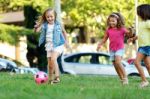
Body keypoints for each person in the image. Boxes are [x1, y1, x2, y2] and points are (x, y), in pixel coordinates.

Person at [34, 8, 69, 84]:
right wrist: (36, 27)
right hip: (49, 46)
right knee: (50, 65)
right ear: (45, 18)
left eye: (51, 16)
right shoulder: (44, 25)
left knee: (53, 59)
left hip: (58, 44)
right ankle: (50, 80)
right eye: (48, 17)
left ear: (54, 16)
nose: (50, 18)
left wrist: (67, 42)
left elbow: (64, 32)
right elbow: (37, 31)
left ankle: (57, 78)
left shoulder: (58, 24)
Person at [97, 12, 132, 85]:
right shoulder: (108, 30)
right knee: (115, 64)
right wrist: (100, 44)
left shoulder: (122, 29)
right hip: (112, 49)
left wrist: (130, 30)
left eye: (113, 21)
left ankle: (125, 77)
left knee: (118, 62)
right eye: (110, 21)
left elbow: (129, 34)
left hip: (119, 48)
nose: (111, 22)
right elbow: (105, 39)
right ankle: (121, 78)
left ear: (118, 21)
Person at [129, 4, 150, 88]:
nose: (137, 14)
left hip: (147, 46)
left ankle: (144, 81)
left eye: (138, 12)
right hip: (142, 46)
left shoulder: (148, 22)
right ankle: (145, 81)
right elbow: (141, 35)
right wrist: (133, 38)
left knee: (137, 63)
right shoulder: (141, 23)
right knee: (148, 65)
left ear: (143, 13)